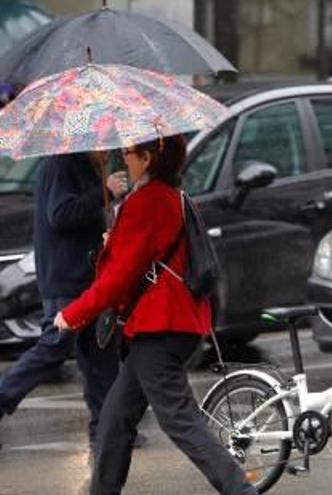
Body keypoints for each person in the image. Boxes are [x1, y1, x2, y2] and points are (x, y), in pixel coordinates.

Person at [53, 136, 258, 495]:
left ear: (147, 159)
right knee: (116, 418)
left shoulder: (145, 203)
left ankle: (240, 489)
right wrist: (112, 244)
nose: (124, 159)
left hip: (159, 326)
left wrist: (73, 313)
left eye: (130, 153)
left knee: (179, 418)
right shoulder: (172, 198)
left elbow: (119, 278)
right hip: (173, 324)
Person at [0, 151, 127, 449]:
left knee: (101, 353)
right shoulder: (61, 163)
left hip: (91, 278)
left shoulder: (83, 164)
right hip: (67, 277)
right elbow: (60, 214)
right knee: (55, 345)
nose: (107, 149)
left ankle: (106, 430)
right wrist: (105, 191)